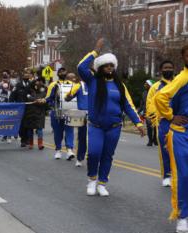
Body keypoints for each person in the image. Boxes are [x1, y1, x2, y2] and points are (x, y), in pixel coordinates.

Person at [77, 38, 144, 197]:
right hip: (95, 126)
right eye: (106, 65)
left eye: (111, 66)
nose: (109, 68)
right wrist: (95, 51)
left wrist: (138, 123)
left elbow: (128, 105)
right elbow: (81, 67)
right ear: (100, 67)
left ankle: (102, 183)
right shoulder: (92, 80)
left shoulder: (120, 85)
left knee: (107, 155)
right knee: (94, 153)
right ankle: (92, 180)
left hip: (114, 127)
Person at [154, 46, 188, 233]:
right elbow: (160, 97)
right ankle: (182, 215)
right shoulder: (182, 79)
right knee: (184, 175)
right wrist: (169, 116)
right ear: (183, 58)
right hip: (181, 132)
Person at [146, 61, 175, 187]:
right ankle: (167, 175)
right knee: (165, 149)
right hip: (163, 121)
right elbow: (150, 104)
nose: (168, 69)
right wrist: (155, 117)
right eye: (165, 68)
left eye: (170, 67)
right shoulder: (155, 87)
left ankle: (178, 174)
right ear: (161, 70)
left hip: (180, 121)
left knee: (180, 150)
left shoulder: (179, 84)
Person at [40, 67, 75, 160]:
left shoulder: (72, 84)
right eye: (60, 71)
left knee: (69, 130)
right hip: (56, 110)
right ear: (58, 74)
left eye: (64, 71)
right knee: (58, 132)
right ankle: (58, 150)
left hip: (69, 111)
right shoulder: (53, 85)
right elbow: (49, 97)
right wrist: (44, 100)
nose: (63, 73)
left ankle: (69, 149)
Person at [65, 75, 88, 167]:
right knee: (82, 137)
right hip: (83, 115)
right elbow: (67, 98)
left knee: (95, 138)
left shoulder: (97, 85)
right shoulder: (78, 86)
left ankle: (93, 157)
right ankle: (80, 158)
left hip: (96, 115)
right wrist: (69, 96)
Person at [10, 69, 33, 147]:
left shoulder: (31, 85)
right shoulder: (18, 85)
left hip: (29, 107)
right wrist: (11, 105)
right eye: (25, 74)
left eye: (28, 74)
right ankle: (23, 140)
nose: (26, 76)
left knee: (29, 124)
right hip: (20, 107)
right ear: (23, 76)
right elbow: (12, 95)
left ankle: (28, 139)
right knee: (22, 124)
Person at [25, 78, 47, 150]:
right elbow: (28, 98)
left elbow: (45, 99)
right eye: (36, 82)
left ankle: (40, 144)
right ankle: (31, 143)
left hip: (40, 112)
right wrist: (35, 100)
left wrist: (39, 100)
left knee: (39, 129)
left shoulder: (44, 91)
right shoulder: (30, 91)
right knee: (30, 129)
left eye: (39, 82)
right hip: (30, 112)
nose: (38, 83)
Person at [138, 80, 157, 147]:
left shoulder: (155, 92)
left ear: (150, 85)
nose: (145, 85)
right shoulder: (144, 93)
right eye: (145, 84)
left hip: (155, 112)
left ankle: (155, 139)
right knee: (149, 127)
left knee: (155, 127)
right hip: (147, 113)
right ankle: (150, 141)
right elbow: (142, 103)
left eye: (146, 84)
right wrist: (139, 111)